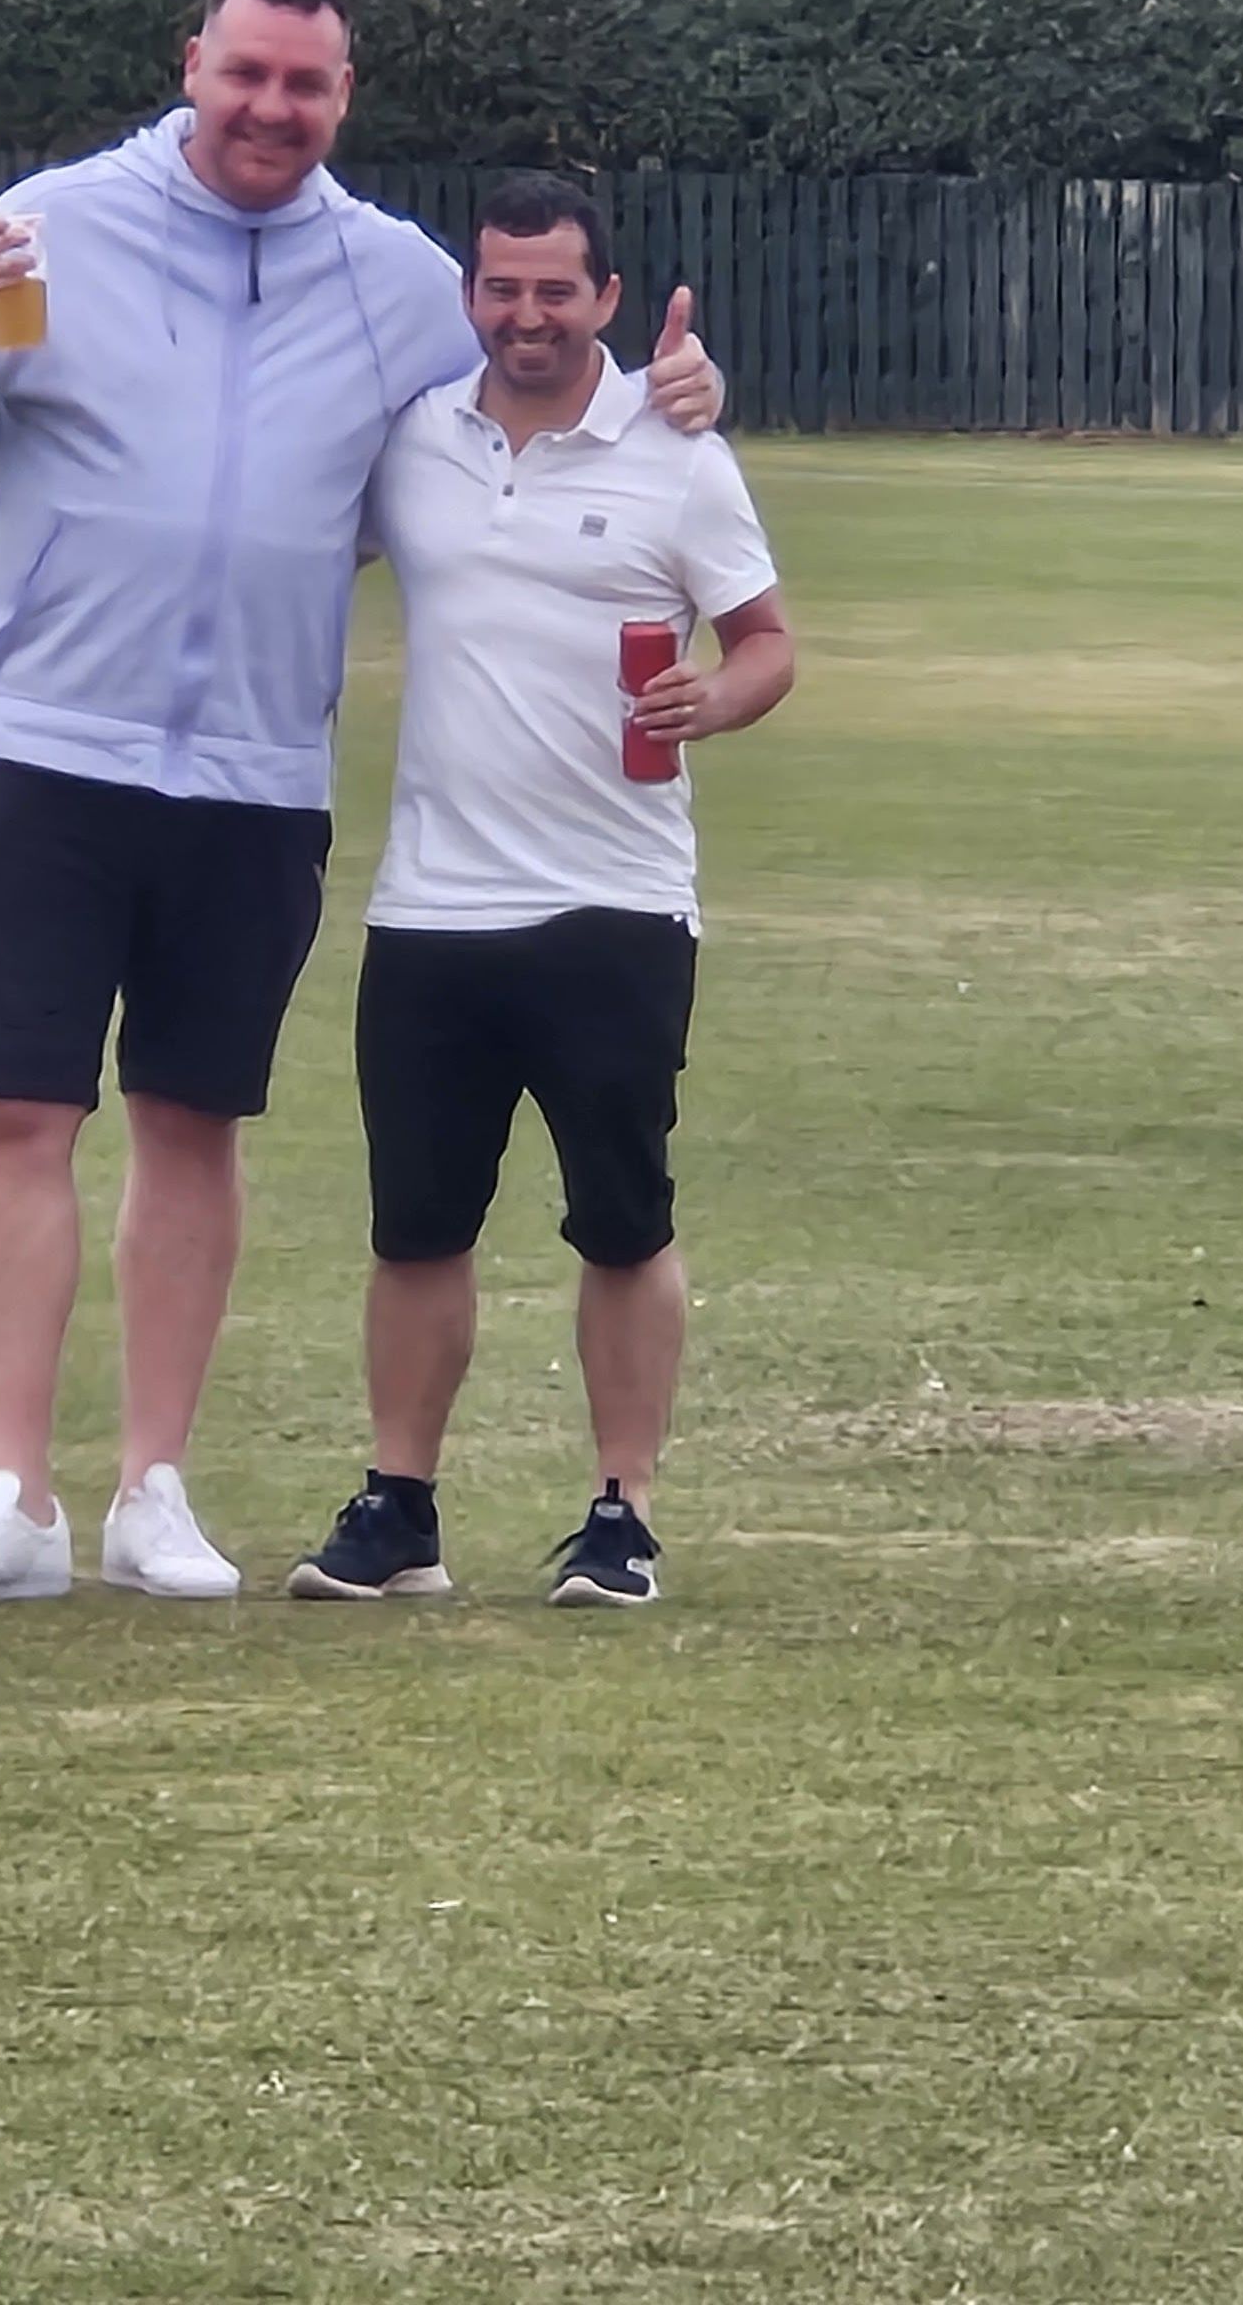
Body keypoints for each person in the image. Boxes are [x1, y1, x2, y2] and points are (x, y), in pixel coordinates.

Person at [0, 0, 724, 1606]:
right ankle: (10, 1494)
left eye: (306, 86)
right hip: (44, 743)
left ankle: (152, 1490)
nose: (271, 109)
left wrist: (678, 403)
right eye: (245, 74)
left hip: (255, 772)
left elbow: (521, 411)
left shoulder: (395, 279)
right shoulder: (54, 226)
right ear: (193, 65)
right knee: (17, 1111)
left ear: (343, 98)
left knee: (192, 1117)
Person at [288, 171, 794, 1611]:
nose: (526, 316)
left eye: (554, 291)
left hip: (615, 903)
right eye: (502, 289)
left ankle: (622, 1513)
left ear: (607, 301)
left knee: (622, 1218)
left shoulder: (677, 449)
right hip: (431, 905)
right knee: (416, 1224)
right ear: (472, 297)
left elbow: (767, 641)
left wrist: (719, 697)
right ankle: (400, 1507)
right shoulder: (415, 441)